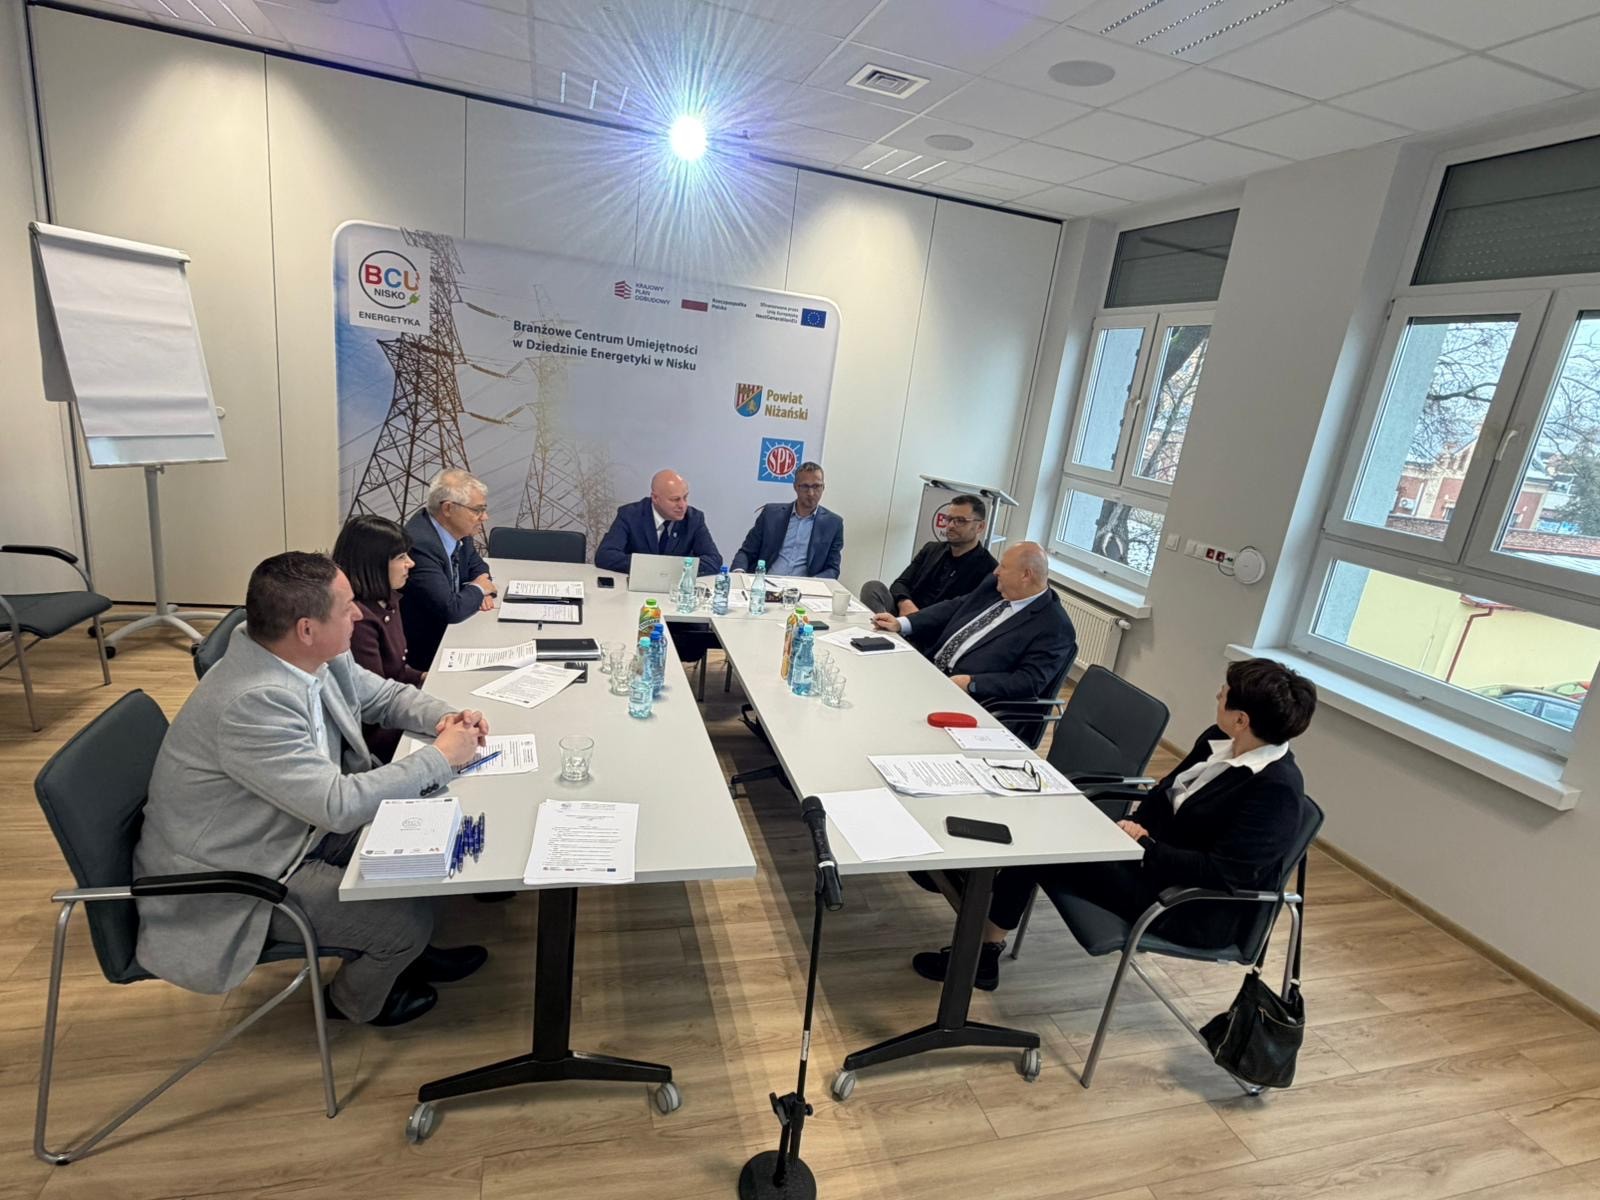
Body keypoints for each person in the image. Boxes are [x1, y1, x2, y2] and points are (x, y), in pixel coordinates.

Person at [132, 552, 494, 1026]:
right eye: (346, 607)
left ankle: (405, 957)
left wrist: (445, 717)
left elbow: (384, 696)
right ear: (306, 628)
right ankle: (351, 1002)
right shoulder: (252, 702)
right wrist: (442, 756)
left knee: (425, 848)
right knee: (405, 923)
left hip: (291, 824)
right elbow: (337, 805)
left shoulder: (309, 656)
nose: (358, 614)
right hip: (247, 870)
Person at [911, 658, 1318, 991]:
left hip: (1184, 903)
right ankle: (979, 927)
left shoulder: (1275, 790)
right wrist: (1133, 824)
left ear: (1242, 719)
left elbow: (1226, 874)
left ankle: (980, 952)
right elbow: (1166, 792)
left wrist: (1147, 848)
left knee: (1042, 843)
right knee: (1045, 826)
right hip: (1148, 857)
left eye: (1224, 694)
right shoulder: (1220, 739)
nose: (1217, 695)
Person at [873, 542, 1075, 735]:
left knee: (888, 713)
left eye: (1004, 567)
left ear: (1025, 575)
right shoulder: (995, 587)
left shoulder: (1054, 626)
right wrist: (903, 623)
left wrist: (971, 683)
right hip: (930, 670)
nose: (996, 571)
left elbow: (1028, 681)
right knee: (876, 682)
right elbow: (954, 606)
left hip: (969, 699)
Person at [332, 513, 424, 763]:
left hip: (394, 709)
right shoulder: (357, 619)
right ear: (373, 563)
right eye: (401, 557)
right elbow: (375, 704)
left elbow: (397, 670)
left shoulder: (388, 599)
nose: (411, 563)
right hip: (377, 734)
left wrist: (422, 677)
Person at [401, 467, 497, 672]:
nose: (484, 517)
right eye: (477, 510)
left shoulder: (458, 530)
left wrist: (479, 589)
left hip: (456, 635)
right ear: (448, 509)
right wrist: (478, 590)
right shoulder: (420, 545)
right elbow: (450, 609)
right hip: (428, 655)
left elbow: (478, 566)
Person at [861, 493, 997, 617]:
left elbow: (965, 614)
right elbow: (900, 583)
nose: (950, 525)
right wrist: (905, 603)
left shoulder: (989, 568)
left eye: (960, 521)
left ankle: (886, 631)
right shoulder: (932, 549)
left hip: (937, 628)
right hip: (905, 614)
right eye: (948, 519)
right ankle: (885, 629)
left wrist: (917, 621)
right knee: (873, 588)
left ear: (980, 527)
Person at [594, 468, 722, 576]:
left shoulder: (694, 519)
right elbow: (605, 555)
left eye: (685, 497)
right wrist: (653, 567)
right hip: (637, 586)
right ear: (655, 498)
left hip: (675, 590)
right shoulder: (630, 515)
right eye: (675, 499)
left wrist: (671, 569)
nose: (682, 505)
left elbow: (714, 560)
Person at [731, 462, 844, 579]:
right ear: (795, 487)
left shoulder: (833, 524)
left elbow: (833, 569)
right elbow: (746, 552)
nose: (811, 493)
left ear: (823, 487)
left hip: (804, 587)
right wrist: (738, 573)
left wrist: (814, 583)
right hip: (766, 582)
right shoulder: (771, 514)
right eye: (805, 486)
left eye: (816, 486)